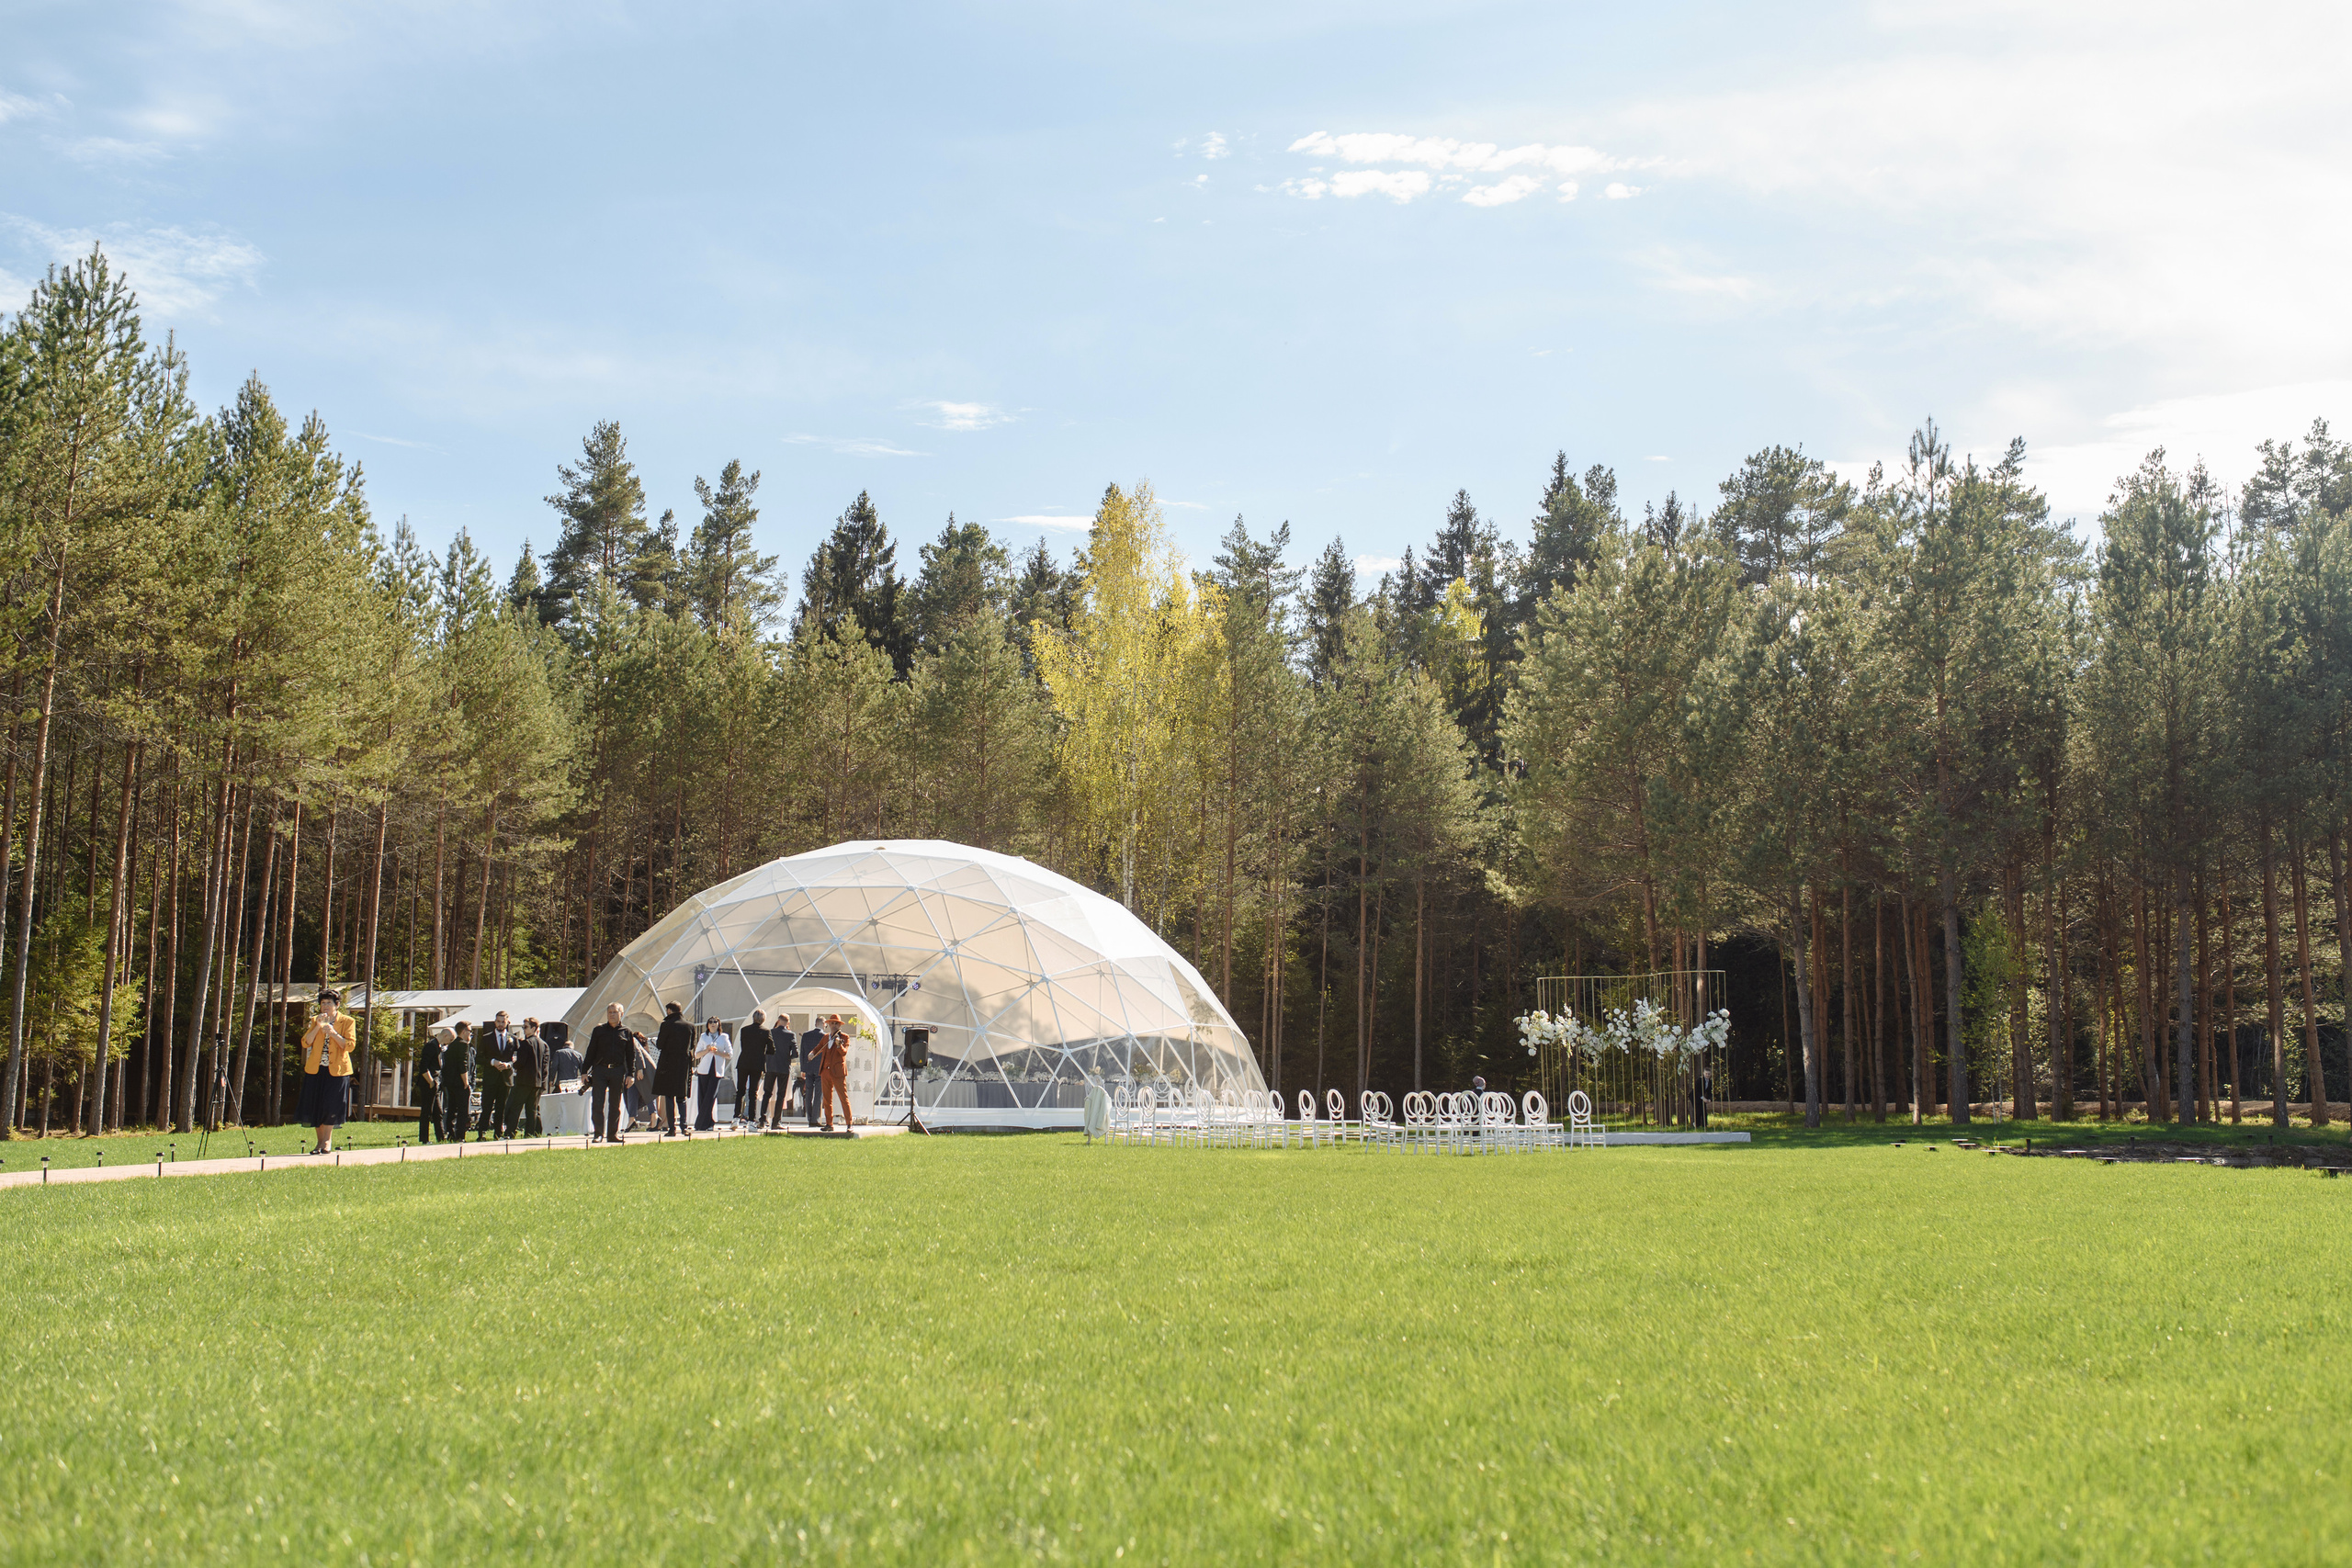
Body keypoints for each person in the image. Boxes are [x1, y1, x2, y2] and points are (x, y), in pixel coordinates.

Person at [296, 989, 357, 1155]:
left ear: (337, 1005)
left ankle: (327, 1141)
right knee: (316, 1105)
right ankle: (319, 1142)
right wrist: (317, 1026)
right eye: (323, 1003)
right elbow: (306, 1042)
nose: (325, 1006)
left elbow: (350, 1046)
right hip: (316, 1070)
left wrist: (333, 1032)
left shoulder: (347, 1021)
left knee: (330, 1106)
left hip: (337, 1071)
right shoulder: (315, 1020)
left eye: (329, 1003)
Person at [581, 1003, 635, 1143]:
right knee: (598, 1103)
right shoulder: (599, 1030)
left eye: (615, 1012)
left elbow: (630, 1055)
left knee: (615, 1105)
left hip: (618, 1071)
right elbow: (591, 1051)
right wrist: (584, 1071)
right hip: (600, 1070)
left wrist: (631, 1074)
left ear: (621, 1014)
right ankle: (598, 1134)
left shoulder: (626, 1032)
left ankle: (612, 1134)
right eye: (609, 1012)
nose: (612, 1014)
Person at [651, 1003, 693, 1136]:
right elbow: (691, 1046)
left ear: (669, 1010)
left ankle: (671, 1128)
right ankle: (684, 1126)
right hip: (683, 1064)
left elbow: (660, 1044)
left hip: (668, 1063)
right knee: (682, 1097)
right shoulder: (690, 1026)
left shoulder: (666, 1025)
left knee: (669, 1096)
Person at [476, 1010, 518, 1139]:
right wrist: (492, 1062)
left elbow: (517, 1058)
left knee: (502, 1107)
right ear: (495, 1022)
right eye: (498, 1022)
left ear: (507, 1022)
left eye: (503, 1022)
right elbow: (478, 1058)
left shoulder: (513, 1039)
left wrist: (508, 1065)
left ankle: (498, 1133)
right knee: (487, 1106)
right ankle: (482, 1133)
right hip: (490, 1078)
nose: (500, 1024)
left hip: (505, 1078)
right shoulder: (486, 1038)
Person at [506, 1018, 550, 1137]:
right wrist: (542, 1083)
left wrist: (514, 1063)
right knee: (532, 1110)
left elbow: (521, 1063)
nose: (524, 1030)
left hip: (524, 1081)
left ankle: (510, 1132)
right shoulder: (544, 1045)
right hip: (537, 1082)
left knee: (516, 1108)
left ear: (533, 1028)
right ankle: (531, 1133)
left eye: (525, 1027)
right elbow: (545, 1067)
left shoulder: (526, 1043)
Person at [692, 1016, 731, 1132]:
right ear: (708, 1025)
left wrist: (718, 1052)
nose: (713, 1024)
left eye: (715, 1022)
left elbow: (730, 1054)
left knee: (710, 1096)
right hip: (704, 1070)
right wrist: (707, 1050)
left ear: (719, 1024)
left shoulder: (724, 1037)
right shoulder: (704, 1037)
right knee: (703, 1096)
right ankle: (708, 1122)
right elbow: (697, 1055)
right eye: (711, 1022)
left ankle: (700, 1123)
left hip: (716, 1070)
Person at [736, 1010, 771, 1130]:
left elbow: (743, 1045)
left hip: (744, 1061)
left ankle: (736, 1117)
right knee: (753, 1093)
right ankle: (751, 1120)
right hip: (757, 1064)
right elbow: (772, 1049)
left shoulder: (744, 1030)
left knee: (740, 1091)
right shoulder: (766, 1032)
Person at [442, 1021, 474, 1147]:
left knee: (451, 1108)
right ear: (464, 1031)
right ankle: (460, 1134)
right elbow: (463, 1065)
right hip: (460, 1082)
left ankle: (450, 1132)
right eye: (470, 1031)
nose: (471, 1034)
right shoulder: (463, 1044)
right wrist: (466, 1082)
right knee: (462, 1110)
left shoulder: (452, 1044)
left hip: (450, 1082)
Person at [820, 1012, 854, 1132]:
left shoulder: (844, 1037)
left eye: (836, 1023)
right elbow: (819, 1047)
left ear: (840, 1025)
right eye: (832, 1023)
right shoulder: (825, 1037)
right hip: (825, 1071)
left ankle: (849, 1123)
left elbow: (844, 1053)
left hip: (837, 1072)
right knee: (827, 1099)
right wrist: (812, 1053)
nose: (834, 1025)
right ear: (828, 1024)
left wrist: (839, 1045)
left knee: (843, 1097)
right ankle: (829, 1124)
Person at [763, 1013, 797, 1128]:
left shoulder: (770, 1032)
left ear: (778, 1021)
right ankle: (776, 1121)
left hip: (771, 1066)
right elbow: (795, 1053)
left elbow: (764, 1049)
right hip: (783, 1067)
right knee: (780, 1095)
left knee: (767, 1093)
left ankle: (762, 1120)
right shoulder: (790, 1035)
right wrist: (787, 1057)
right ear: (788, 1022)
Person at [415, 1024, 447, 1144]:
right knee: (427, 1112)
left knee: (438, 1112)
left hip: (436, 1083)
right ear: (445, 1035)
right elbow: (423, 1067)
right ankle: (424, 1139)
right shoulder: (430, 1046)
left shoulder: (438, 1047)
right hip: (429, 1083)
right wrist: (431, 1082)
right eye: (450, 1039)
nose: (449, 1043)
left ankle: (441, 1138)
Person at [798, 1015, 826, 1128]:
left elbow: (803, 1052)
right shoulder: (825, 1036)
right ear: (824, 1024)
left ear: (815, 1024)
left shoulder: (806, 1035)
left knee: (808, 1094)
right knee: (818, 1094)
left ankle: (810, 1118)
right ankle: (815, 1119)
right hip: (820, 1068)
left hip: (808, 1068)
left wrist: (802, 1068)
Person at [549, 1023, 583, 1092]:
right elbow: (582, 1070)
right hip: (573, 1084)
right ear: (572, 1047)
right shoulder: (578, 1055)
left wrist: (551, 1080)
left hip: (561, 1083)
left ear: (563, 1046)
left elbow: (554, 1067)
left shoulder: (558, 1052)